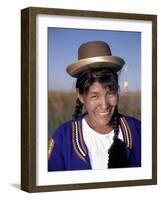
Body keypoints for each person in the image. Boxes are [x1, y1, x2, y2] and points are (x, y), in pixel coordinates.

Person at [48, 41, 141, 171]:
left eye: (110, 93)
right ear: (81, 96)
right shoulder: (63, 138)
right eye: (94, 96)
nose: (104, 105)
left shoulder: (138, 130)